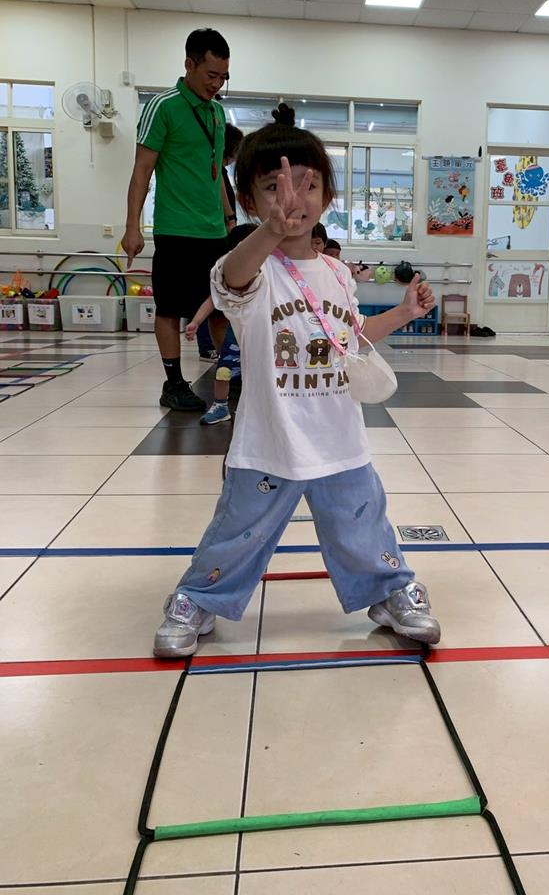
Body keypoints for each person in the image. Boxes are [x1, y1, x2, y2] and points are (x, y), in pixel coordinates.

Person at [153, 104, 441, 657]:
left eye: (309, 184)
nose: (293, 198)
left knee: (364, 527)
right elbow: (232, 278)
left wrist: (404, 313)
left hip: (339, 436)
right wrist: (270, 231)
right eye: (274, 187)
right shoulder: (251, 268)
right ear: (248, 200)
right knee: (237, 532)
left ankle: (389, 591)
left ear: (328, 196)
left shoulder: (336, 272)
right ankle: (199, 598)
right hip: (268, 439)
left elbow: (351, 339)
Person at [120, 27, 235, 412]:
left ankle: (230, 374)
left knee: (220, 308)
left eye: (223, 77)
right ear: (189, 64)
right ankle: (173, 383)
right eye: (211, 75)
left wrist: (229, 217)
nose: (216, 85)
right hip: (175, 229)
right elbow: (142, 170)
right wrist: (132, 226)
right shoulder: (163, 106)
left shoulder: (217, 112)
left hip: (214, 232)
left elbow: (215, 172)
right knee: (170, 308)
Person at [185, 223, 256, 425]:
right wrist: (196, 321)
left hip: (261, 334)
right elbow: (212, 299)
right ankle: (220, 405)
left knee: (259, 373)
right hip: (235, 334)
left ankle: (253, 407)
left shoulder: (268, 272)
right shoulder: (228, 275)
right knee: (223, 371)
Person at [196, 122, 245, 361]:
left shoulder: (220, 172)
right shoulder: (214, 172)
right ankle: (215, 350)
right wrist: (230, 222)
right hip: (215, 239)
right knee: (215, 304)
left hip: (219, 237)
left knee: (216, 303)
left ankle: (216, 349)